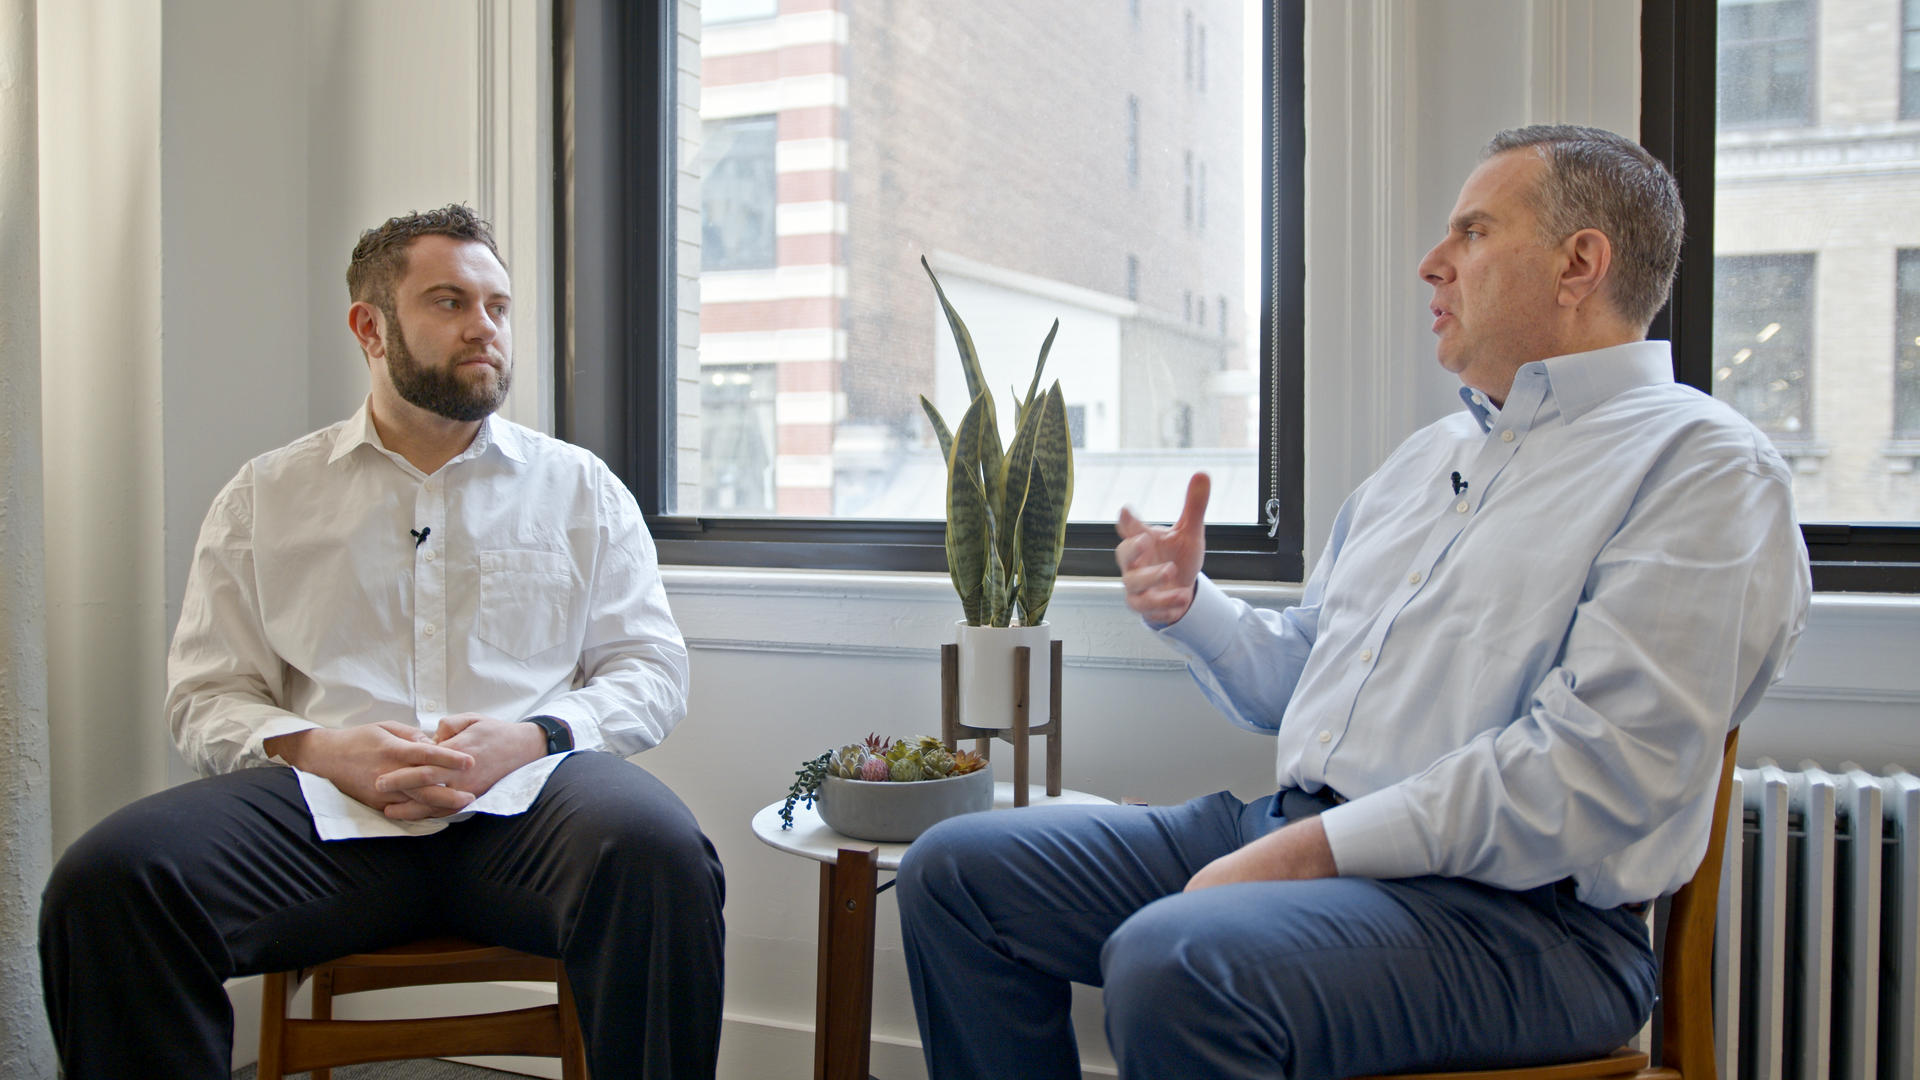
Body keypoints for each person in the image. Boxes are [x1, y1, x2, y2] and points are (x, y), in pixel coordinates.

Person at [896, 126, 1811, 1080]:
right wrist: (1190, 606)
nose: (1432, 263)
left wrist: (1303, 857)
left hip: (1522, 921)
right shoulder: (1427, 460)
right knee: (956, 873)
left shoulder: (1704, 467)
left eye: (1472, 232)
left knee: (1182, 966)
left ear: (1579, 264)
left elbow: (1593, 775)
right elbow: (1309, 681)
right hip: (1300, 827)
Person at [38, 206, 724, 1080]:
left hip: (530, 810)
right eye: (450, 302)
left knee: (661, 856)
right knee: (108, 881)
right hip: (328, 822)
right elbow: (207, 695)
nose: (485, 327)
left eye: (498, 306)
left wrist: (534, 736)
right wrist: (321, 749)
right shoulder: (266, 496)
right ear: (370, 327)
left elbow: (650, 670)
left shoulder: (580, 489)